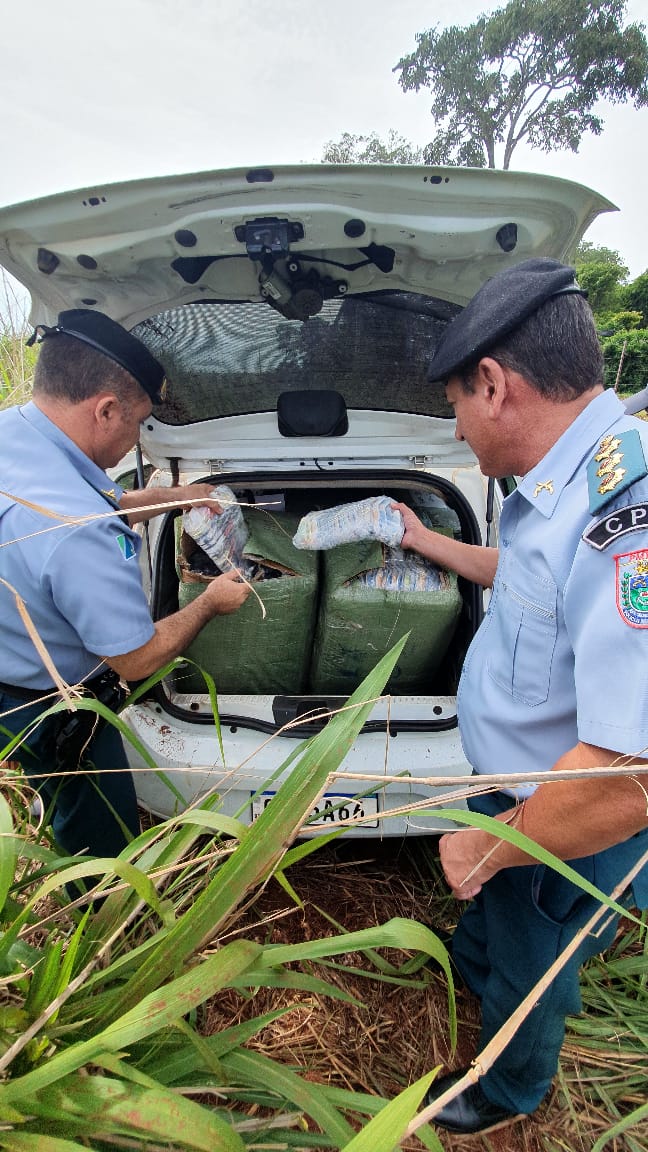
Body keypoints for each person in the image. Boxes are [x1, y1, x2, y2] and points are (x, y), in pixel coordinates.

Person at [393, 258, 648, 1135]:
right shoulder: (559, 484)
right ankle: (482, 966)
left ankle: (507, 1091)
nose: (457, 430)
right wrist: (430, 540)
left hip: (553, 816)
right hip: (510, 792)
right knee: (502, 934)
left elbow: (625, 778)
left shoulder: (627, 507)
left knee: (536, 955)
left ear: (494, 386)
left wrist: (493, 848)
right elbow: (527, 577)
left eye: (457, 405)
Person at [0, 309, 250, 863]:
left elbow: (92, 498)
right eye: (137, 423)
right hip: (56, 709)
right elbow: (135, 661)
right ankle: (103, 915)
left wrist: (173, 499)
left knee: (58, 795)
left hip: (8, 673)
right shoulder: (80, 533)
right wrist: (209, 602)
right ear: (106, 409)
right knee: (98, 831)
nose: (136, 436)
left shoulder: (15, 435)